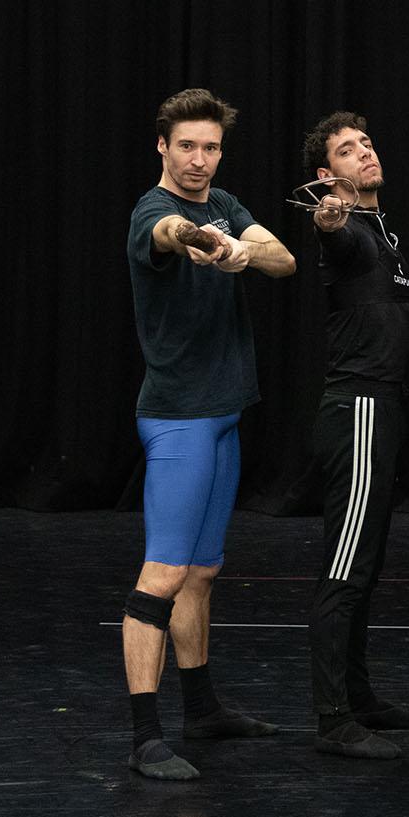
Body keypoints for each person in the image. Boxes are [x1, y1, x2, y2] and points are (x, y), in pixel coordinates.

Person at [121, 88, 296, 780]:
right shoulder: (154, 211)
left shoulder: (224, 205)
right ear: (162, 147)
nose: (199, 159)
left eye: (210, 148)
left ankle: (202, 709)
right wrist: (198, 242)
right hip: (179, 419)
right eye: (186, 147)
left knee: (201, 572)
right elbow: (167, 235)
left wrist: (239, 254)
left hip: (224, 414)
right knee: (162, 576)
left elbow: (281, 257)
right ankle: (144, 735)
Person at [300, 112, 409, 760]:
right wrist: (326, 218)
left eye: (367, 143)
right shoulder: (347, 228)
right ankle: (333, 720)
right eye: (348, 151)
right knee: (346, 566)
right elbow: (333, 238)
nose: (364, 154)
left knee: (366, 564)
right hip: (357, 411)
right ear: (328, 175)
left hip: (386, 411)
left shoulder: (385, 232)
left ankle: (360, 697)